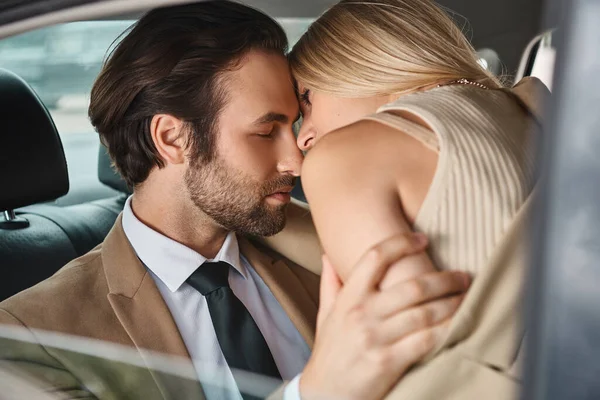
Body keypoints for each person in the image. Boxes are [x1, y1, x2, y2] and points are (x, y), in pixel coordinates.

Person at [0, 2, 471, 400]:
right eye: (265, 132)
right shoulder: (32, 335)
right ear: (172, 138)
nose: (297, 162)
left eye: (293, 126)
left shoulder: (333, 241)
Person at [270, 0, 549, 398]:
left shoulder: (343, 158)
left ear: (361, 59)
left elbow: (402, 350)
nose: (303, 137)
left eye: (307, 102)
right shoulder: (535, 117)